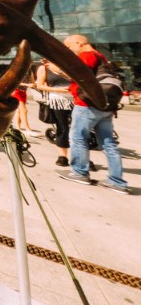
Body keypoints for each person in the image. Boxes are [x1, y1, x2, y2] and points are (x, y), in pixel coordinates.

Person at [58, 35, 128, 194]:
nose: (71, 51)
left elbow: (78, 75)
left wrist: (58, 70)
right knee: (108, 143)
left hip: (87, 106)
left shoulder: (87, 55)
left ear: (79, 43)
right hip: (105, 107)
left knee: (78, 137)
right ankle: (117, 181)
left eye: (69, 47)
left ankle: (79, 172)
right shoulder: (102, 57)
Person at [36, 59, 73, 165]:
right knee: (62, 127)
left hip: (75, 99)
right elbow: (40, 85)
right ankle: (63, 156)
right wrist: (58, 90)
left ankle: (82, 157)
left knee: (79, 129)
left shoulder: (67, 67)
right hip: (57, 100)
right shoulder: (44, 69)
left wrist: (60, 71)